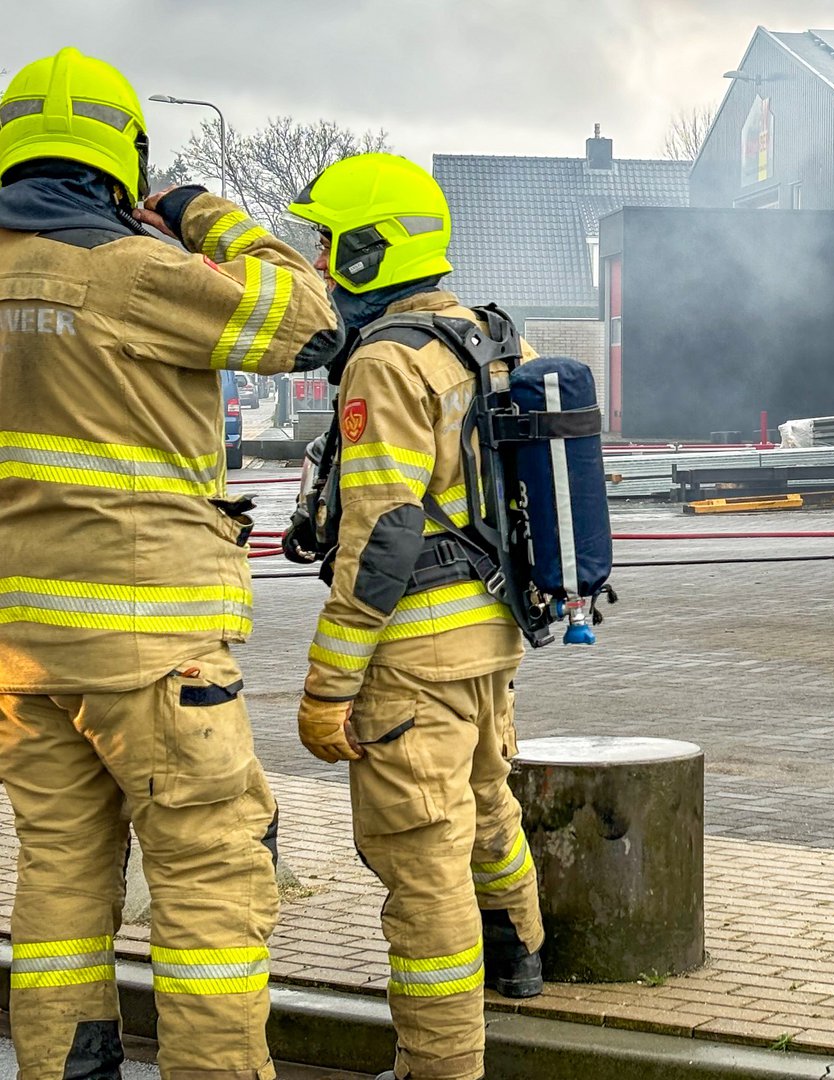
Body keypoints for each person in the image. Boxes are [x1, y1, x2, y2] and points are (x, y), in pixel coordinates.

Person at [0, 48, 343, 1080]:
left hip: (19, 653)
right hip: (151, 648)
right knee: (211, 890)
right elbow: (310, 319)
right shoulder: (141, 274)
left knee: (58, 876)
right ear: (120, 161)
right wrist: (201, 211)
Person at [285, 152, 544, 1080]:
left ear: (367, 249)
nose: (318, 264)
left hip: (410, 654)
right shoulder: (480, 340)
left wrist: (327, 687)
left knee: (420, 861)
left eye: (327, 243)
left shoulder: (385, 364)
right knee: (483, 802)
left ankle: (440, 1064)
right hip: (490, 629)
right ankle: (521, 955)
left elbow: (384, 535)